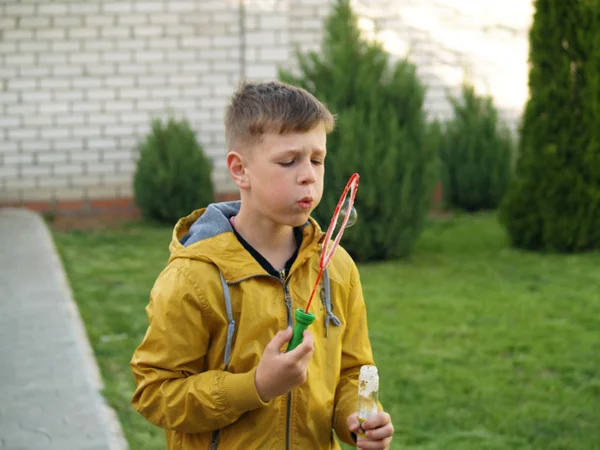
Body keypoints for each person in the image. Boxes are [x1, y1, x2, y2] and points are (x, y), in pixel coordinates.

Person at [130, 80, 394, 449]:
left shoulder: (336, 268)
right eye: (288, 161)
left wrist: (357, 418)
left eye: (317, 160)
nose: (308, 175)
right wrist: (255, 387)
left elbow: (351, 372)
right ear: (240, 170)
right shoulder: (194, 276)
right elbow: (156, 393)